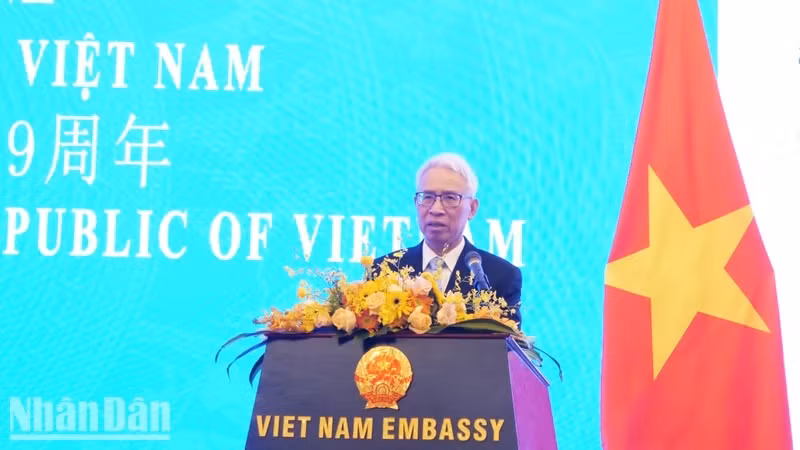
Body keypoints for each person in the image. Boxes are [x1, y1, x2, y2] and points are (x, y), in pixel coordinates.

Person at [374, 153, 522, 324]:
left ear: (472, 209)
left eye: (450, 198)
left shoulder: (501, 276)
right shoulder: (383, 271)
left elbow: (510, 348)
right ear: (416, 203)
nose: (436, 209)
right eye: (427, 197)